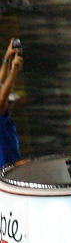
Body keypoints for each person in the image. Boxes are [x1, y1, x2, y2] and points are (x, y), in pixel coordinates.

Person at [0, 37, 22, 168]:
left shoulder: (5, 119)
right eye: (10, 101)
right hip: (5, 174)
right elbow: (2, 98)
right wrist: (14, 70)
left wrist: (7, 59)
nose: (12, 104)